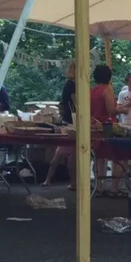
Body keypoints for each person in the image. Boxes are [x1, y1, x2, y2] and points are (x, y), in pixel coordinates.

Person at [89, 64, 122, 196]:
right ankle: (114, 188)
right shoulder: (107, 89)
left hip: (94, 127)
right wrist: (123, 110)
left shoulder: (92, 91)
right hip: (107, 126)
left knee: (99, 157)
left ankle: (99, 186)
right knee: (118, 156)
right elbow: (111, 110)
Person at [44, 61, 77, 189]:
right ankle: (74, 182)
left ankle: (48, 179)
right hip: (71, 121)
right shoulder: (72, 85)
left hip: (67, 120)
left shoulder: (69, 85)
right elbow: (77, 102)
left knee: (59, 154)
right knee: (71, 154)